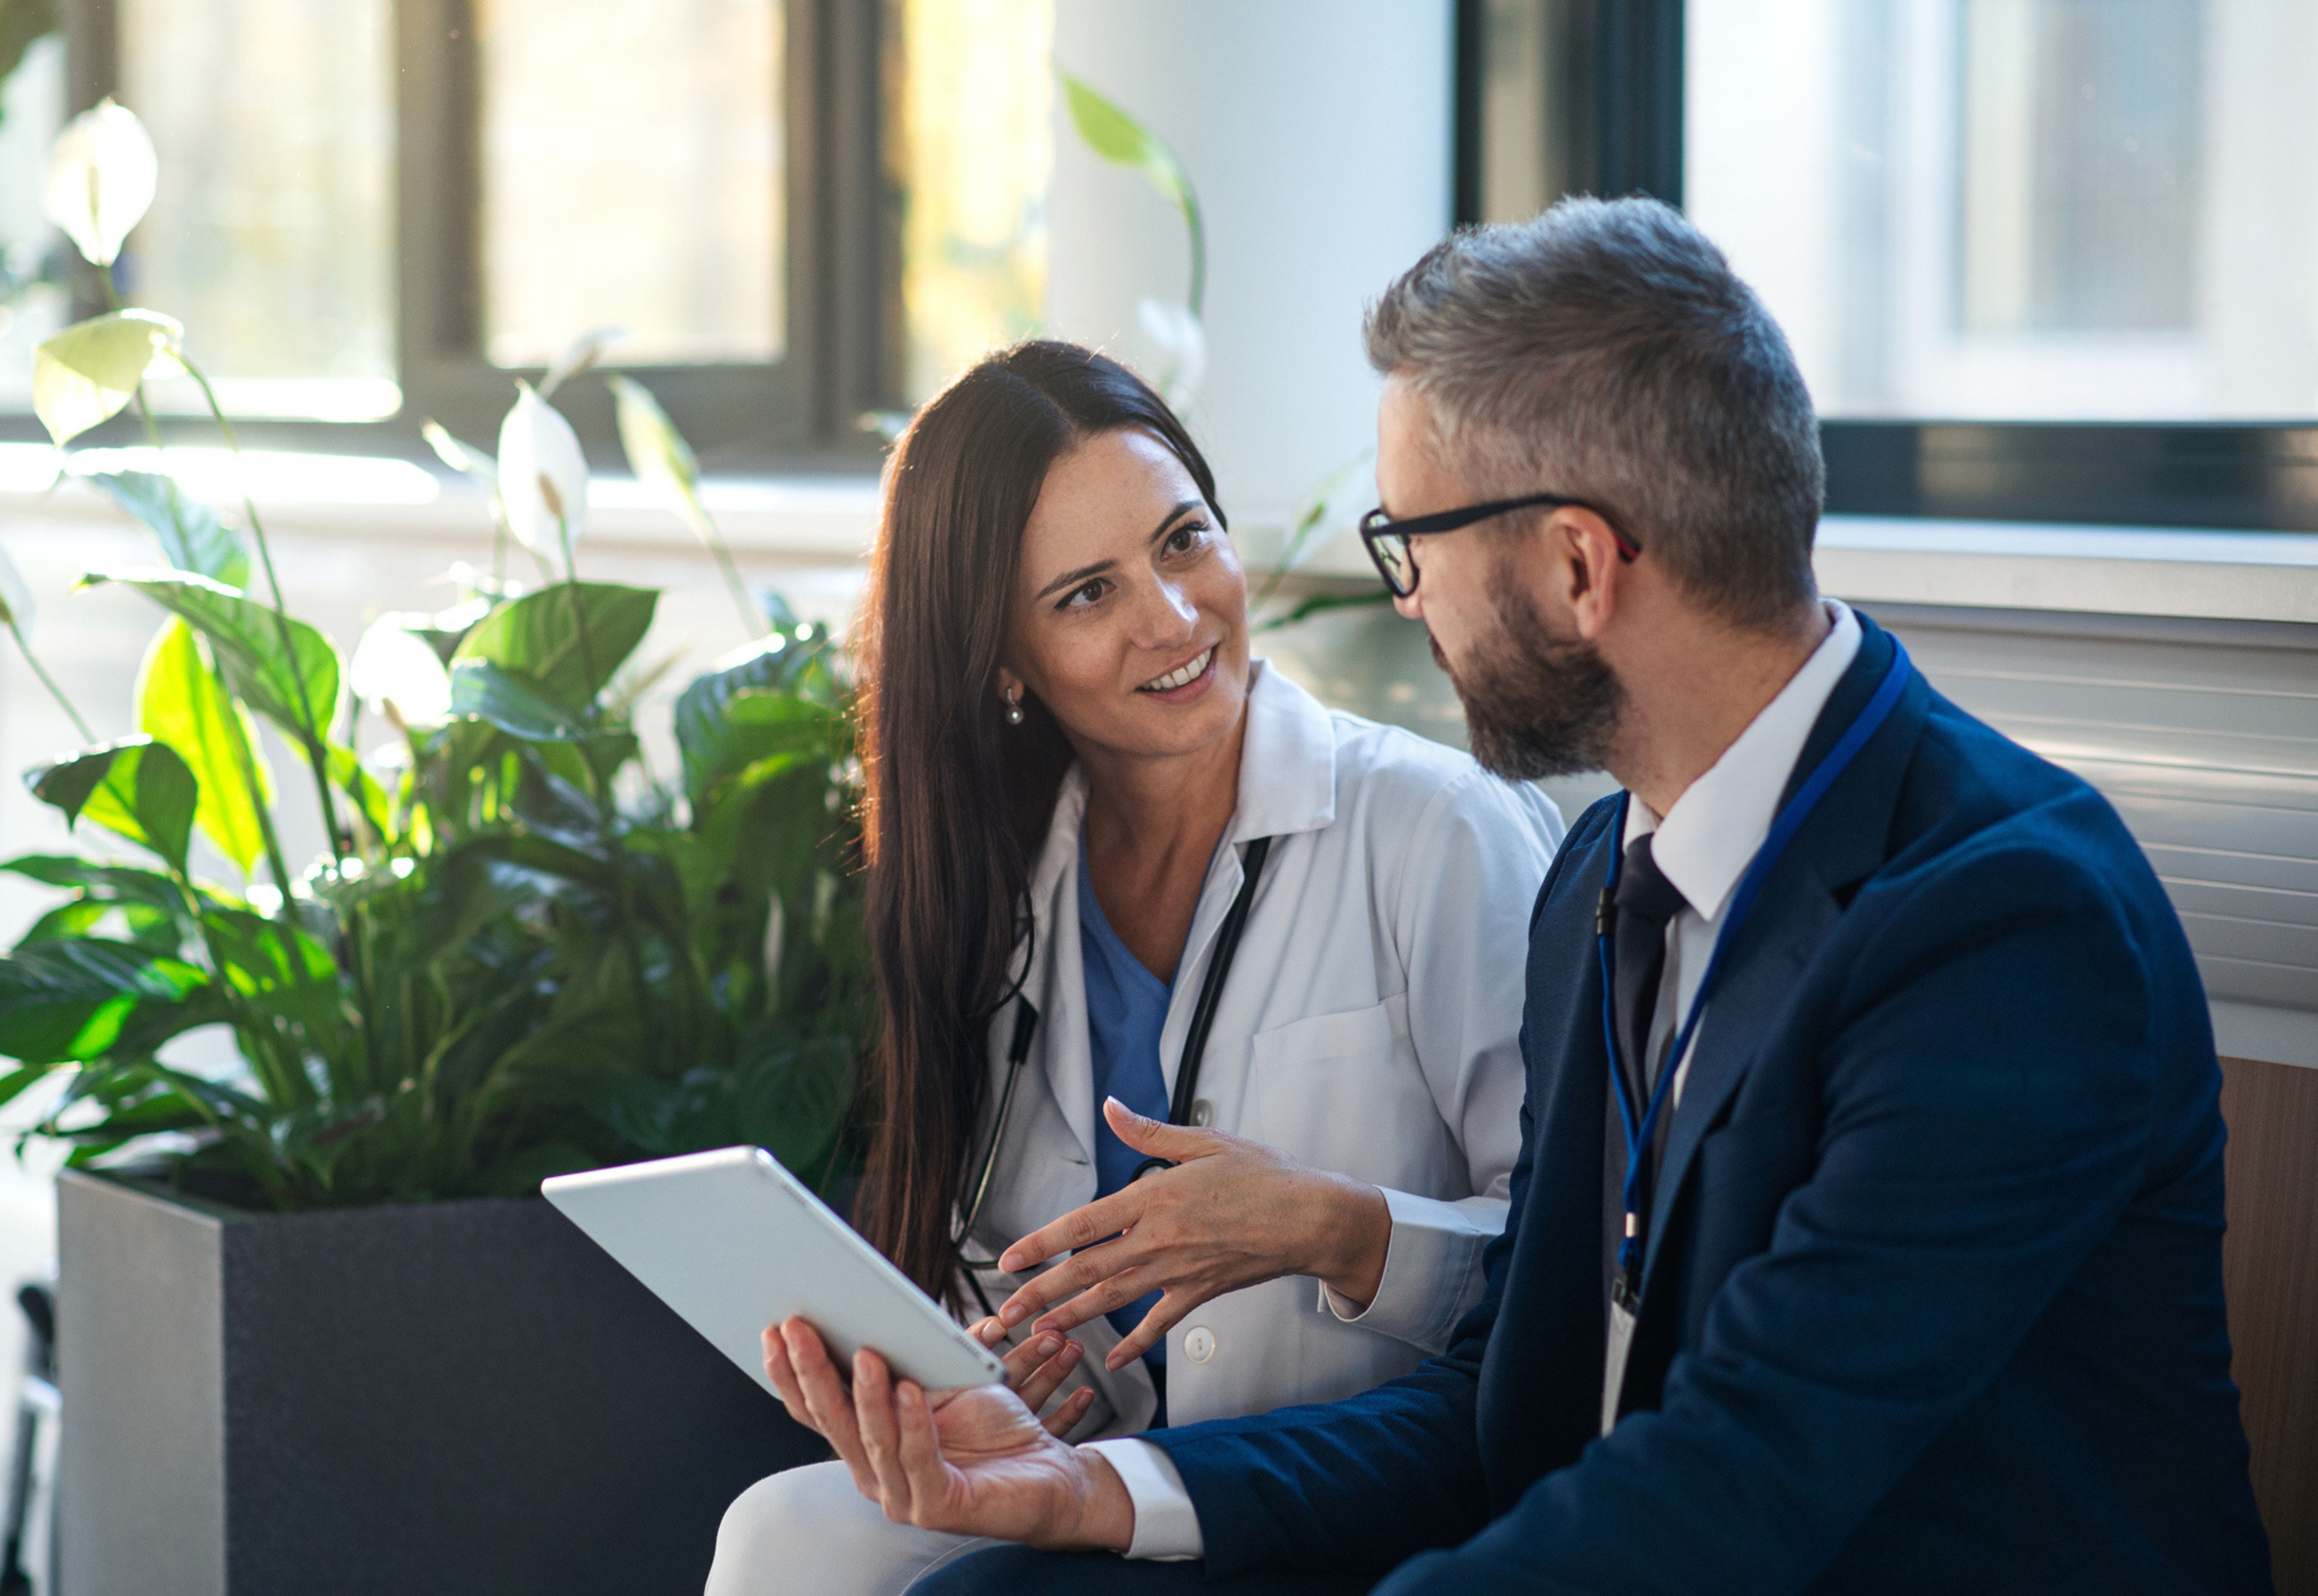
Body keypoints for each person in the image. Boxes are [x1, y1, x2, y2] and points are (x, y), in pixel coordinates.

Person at [765, 201, 2275, 1594]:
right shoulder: (1604, 882)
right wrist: (1110, 1491)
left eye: (1411, 543)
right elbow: (1496, 1411)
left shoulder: (2000, 927)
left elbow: (1738, 1482)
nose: (1400, 599)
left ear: (1572, 569)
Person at [705, 341, 1565, 1595]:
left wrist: (1339, 1231)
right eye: (1085, 595)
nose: (1171, 618)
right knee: (779, 1539)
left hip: (1351, 1484)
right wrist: (1011, 1355)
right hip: (1099, 1468)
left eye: (1181, 541)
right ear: (1003, 659)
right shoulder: (1002, 881)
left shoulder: (1434, 830)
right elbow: (996, 1250)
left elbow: (1574, 1272)